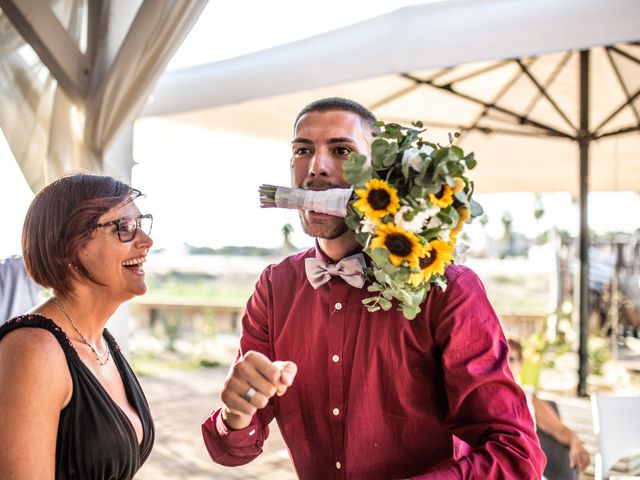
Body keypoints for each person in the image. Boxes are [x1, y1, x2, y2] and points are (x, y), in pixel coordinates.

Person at [202, 97, 545, 478]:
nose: (316, 167)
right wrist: (235, 414)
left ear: (382, 171)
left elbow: (517, 456)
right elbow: (232, 451)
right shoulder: (275, 286)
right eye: (303, 150)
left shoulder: (447, 287)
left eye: (342, 150)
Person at [0, 174, 155, 479]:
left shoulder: (102, 343)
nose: (147, 242)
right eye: (124, 228)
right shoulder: (34, 351)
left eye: (142, 224)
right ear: (68, 246)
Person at [507, 338, 591, 475]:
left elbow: (560, 431)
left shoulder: (527, 397)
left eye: (511, 359)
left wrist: (575, 442)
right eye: (500, 357)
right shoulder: (481, 396)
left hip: (521, 469)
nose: (505, 364)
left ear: (520, 364)